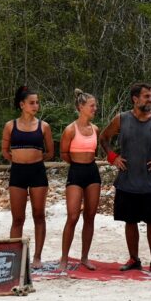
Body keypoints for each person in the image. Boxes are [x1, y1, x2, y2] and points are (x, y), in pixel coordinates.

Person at [100, 83, 151, 272]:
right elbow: (103, 137)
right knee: (130, 221)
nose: (150, 100)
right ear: (135, 99)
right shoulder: (121, 119)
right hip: (127, 179)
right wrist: (112, 157)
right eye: (146, 96)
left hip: (150, 180)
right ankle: (133, 259)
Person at [1, 86, 54, 268]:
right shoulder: (10, 126)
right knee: (18, 218)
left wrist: (34, 159)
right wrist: (19, 159)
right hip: (17, 172)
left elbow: (50, 152)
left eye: (37, 102)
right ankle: (15, 257)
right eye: (32, 102)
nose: (35, 105)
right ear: (22, 104)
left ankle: (37, 257)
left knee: (39, 215)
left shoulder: (44, 126)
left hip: (37, 172)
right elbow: (5, 151)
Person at [58, 89, 101, 271]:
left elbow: (95, 151)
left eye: (95, 105)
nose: (95, 108)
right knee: (73, 216)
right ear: (81, 107)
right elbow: (63, 153)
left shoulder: (95, 129)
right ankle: (64, 258)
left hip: (92, 172)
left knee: (90, 216)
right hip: (76, 171)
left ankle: (84, 257)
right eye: (92, 105)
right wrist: (77, 164)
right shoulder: (70, 130)